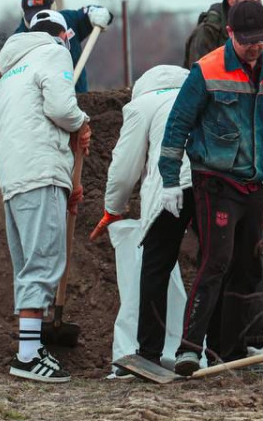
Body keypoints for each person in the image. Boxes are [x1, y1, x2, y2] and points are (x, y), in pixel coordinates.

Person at [159, 1, 263, 376]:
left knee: (249, 267)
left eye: (260, 41)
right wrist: (170, 179)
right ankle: (189, 349)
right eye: (247, 41)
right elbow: (178, 125)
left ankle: (230, 352)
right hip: (215, 181)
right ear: (230, 34)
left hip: (255, 185)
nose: (254, 48)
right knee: (216, 260)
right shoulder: (207, 70)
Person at [0, 10, 90, 383]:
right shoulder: (54, 52)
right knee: (43, 260)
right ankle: (28, 355)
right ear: (64, 36)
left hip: (13, 175)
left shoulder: (8, 74)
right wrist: (82, 123)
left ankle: (30, 345)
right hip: (40, 169)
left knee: (28, 262)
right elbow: (62, 108)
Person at [92, 65, 193, 374]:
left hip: (172, 186)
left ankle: (148, 353)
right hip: (215, 182)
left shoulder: (142, 105)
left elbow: (124, 167)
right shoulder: (197, 95)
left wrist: (114, 207)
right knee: (214, 264)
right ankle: (207, 347)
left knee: (155, 265)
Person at [13, 0, 112, 93]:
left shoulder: (69, 21)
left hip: (79, 98)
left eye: (45, 15)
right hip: (39, 104)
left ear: (53, 8)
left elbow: (94, 12)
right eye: (34, 17)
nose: (40, 23)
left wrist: (99, 14)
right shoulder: (18, 41)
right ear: (23, 13)